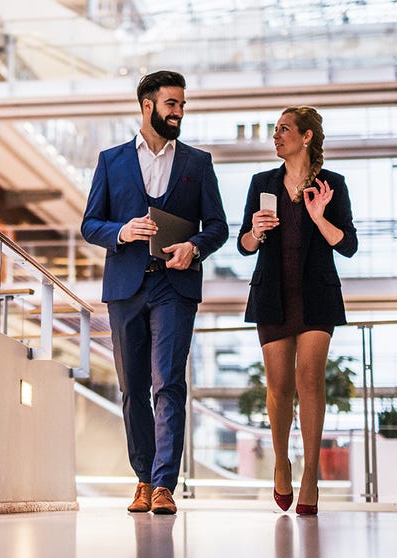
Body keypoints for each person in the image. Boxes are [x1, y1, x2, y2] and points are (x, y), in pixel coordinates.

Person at [81, 70, 228, 514]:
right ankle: (142, 479)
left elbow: (218, 227)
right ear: (148, 106)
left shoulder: (197, 164)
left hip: (174, 286)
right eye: (172, 104)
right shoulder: (111, 160)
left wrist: (194, 247)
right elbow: (90, 224)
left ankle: (164, 485)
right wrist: (121, 231)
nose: (179, 112)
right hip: (126, 287)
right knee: (133, 389)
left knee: (169, 384)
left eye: (182, 105)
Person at [237, 106, 358, 515]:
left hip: (317, 296)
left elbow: (348, 245)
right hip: (272, 293)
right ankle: (281, 462)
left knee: (310, 379)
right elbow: (244, 245)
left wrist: (319, 217)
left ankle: (310, 473)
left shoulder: (332, 185)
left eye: (284, 129)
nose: (276, 136)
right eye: (274, 130)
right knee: (278, 388)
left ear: (306, 137)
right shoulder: (261, 183)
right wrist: (255, 231)